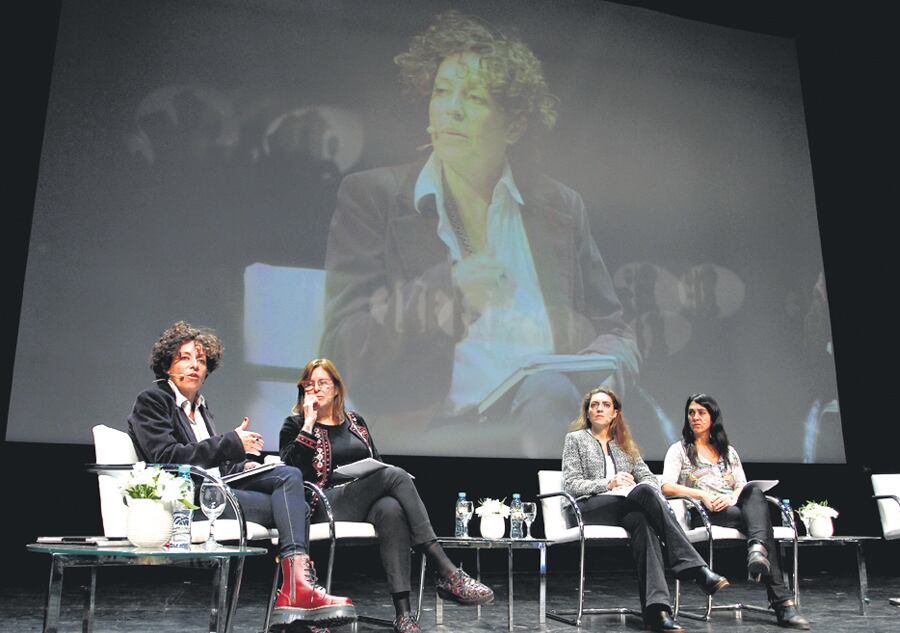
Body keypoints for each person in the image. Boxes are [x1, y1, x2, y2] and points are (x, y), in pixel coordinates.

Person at [320, 10, 640, 458]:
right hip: (433, 433)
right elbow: (341, 349)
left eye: (473, 97)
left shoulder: (560, 207)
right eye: (441, 91)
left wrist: (597, 372)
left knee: (553, 392)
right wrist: (447, 292)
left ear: (514, 124)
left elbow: (615, 330)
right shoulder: (375, 197)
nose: (450, 108)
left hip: (554, 413)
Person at [126, 321, 356, 630]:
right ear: (167, 365)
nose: (195, 366)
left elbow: (212, 463)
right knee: (294, 501)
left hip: (216, 489)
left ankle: (296, 592)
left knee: (288, 478)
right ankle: (297, 592)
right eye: (185, 358)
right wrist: (231, 443)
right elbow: (166, 457)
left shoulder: (201, 408)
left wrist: (243, 466)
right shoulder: (154, 400)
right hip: (189, 501)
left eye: (201, 360)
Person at [278, 358, 494, 633]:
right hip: (322, 504)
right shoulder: (295, 424)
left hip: (360, 499)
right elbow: (291, 471)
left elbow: (376, 462)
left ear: (337, 389)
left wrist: (371, 474)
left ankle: (404, 615)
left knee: (392, 509)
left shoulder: (355, 422)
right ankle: (446, 570)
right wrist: (309, 423)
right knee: (396, 475)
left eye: (323, 383)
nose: (317, 389)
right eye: (311, 384)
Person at [561, 387, 729, 632]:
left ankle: (657, 612)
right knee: (643, 495)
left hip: (625, 507)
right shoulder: (575, 439)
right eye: (594, 405)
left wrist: (635, 486)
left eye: (605, 405)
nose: (599, 409)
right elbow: (572, 483)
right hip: (588, 507)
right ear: (587, 413)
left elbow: (650, 479)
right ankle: (695, 567)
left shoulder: (624, 444)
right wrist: (609, 483)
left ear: (615, 413)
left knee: (643, 521)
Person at [660, 394, 810, 629]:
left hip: (735, 508)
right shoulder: (679, 450)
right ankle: (782, 601)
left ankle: (758, 551)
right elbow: (666, 486)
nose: (695, 417)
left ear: (713, 417)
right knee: (762, 527)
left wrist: (731, 497)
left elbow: (741, 485)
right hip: (706, 512)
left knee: (754, 492)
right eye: (691, 412)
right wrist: (703, 496)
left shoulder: (728, 452)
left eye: (701, 412)